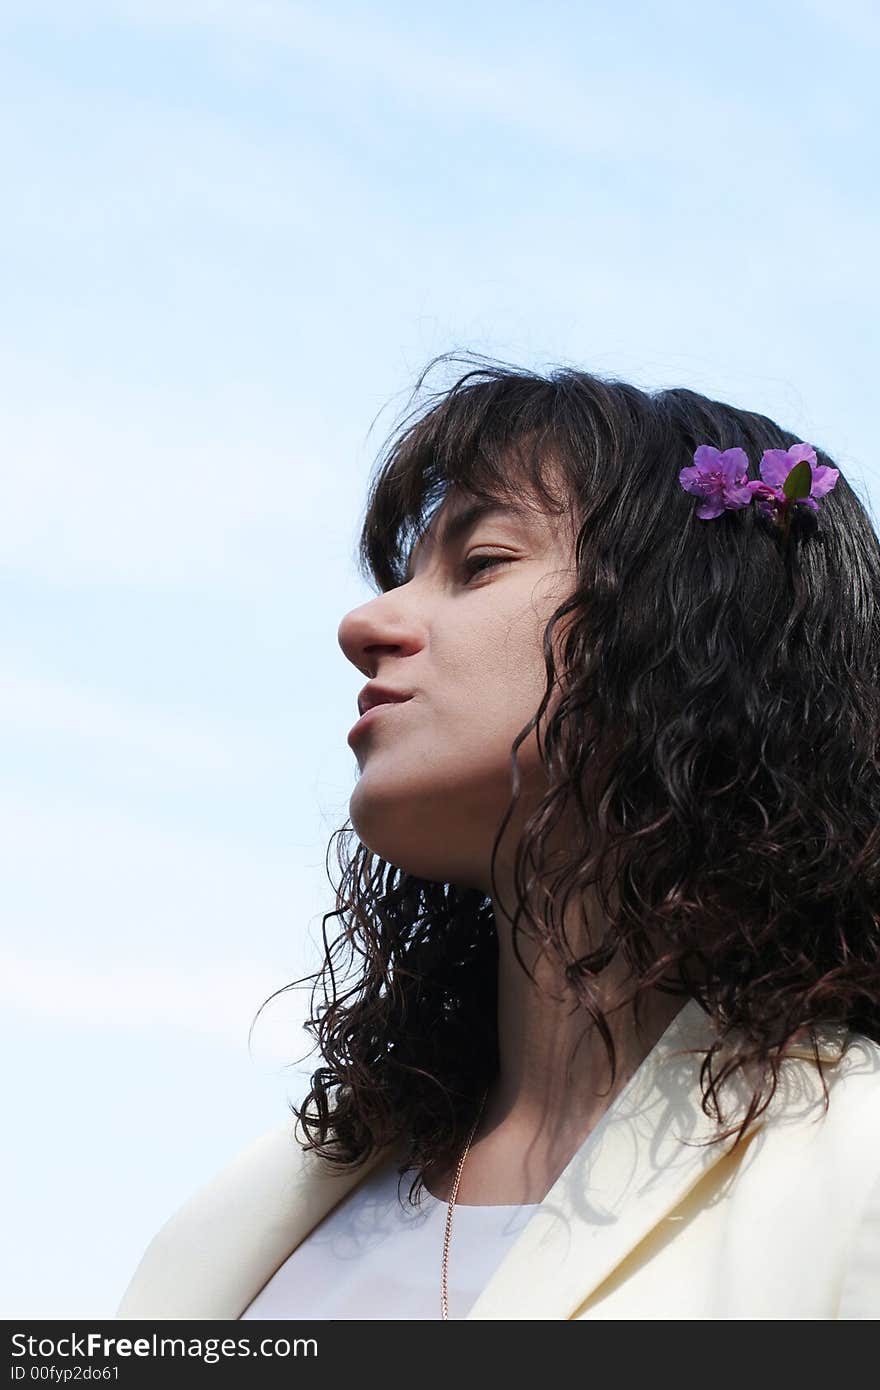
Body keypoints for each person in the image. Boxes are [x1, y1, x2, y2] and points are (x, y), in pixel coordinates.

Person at [117, 358, 880, 1320]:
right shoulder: (275, 1207)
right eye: (405, 574)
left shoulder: (854, 1174)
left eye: (479, 564)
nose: (367, 623)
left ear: (690, 632)